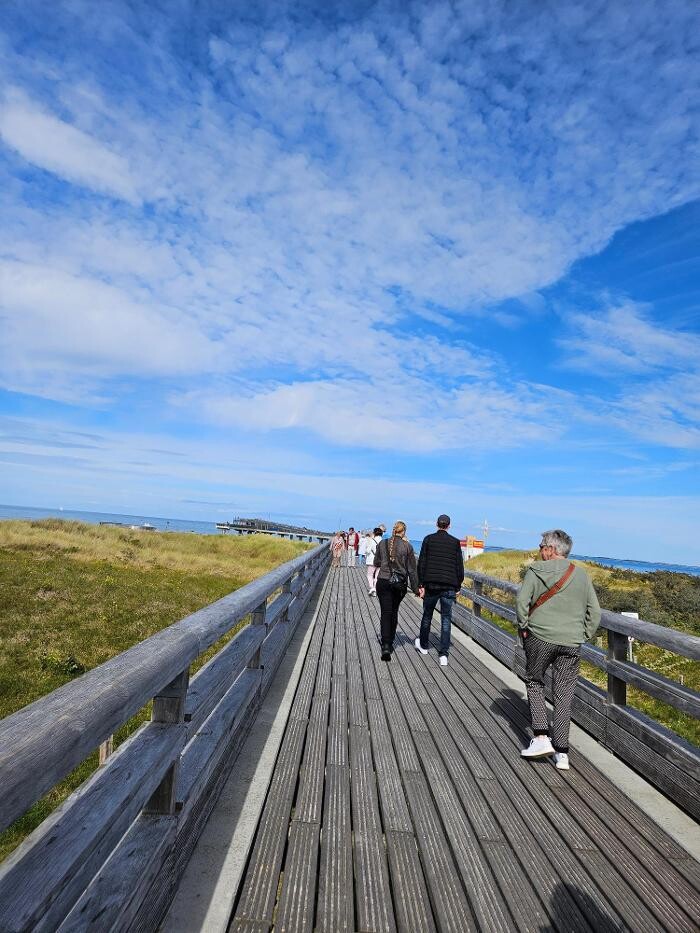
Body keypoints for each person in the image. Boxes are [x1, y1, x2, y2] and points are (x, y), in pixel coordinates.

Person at [517, 529, 601, 771]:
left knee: (534, 681)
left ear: (551, 549)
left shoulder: (535, 570)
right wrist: (582, 635)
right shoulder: (582, 575)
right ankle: (562, 753)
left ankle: (542, 738)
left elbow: (522, 602)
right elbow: (594, 613)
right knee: (564, 695)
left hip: (540, 637)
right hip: (571, 642)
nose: (539, 549)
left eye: (542, 545)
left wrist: (524, 627)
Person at [415, 514, 465, 667]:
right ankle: (443, 654)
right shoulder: (455, 542)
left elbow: (422, 563)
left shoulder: (428, 539)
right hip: (449, 586)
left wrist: (420, 584)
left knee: (427, 615)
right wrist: (458, 586)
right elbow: (459, 567)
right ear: (449, 525)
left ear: (437, 524)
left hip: (431, 585)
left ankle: (423, 646)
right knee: (445, 619)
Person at [374, 521, 419, 660]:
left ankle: (385, 644)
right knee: (393, 611)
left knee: (385, 612)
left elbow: (376, 562)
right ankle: (390, 640)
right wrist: (417, 589)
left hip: (383, 581)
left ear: (394, 530)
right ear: (403, 531)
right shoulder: (407, 546)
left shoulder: (382, 543)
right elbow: (412, 570)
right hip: (398, 584)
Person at [365, 527, 383, 596]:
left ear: (374, 533)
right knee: (377, 576)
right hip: (380, 561)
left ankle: (372, 587)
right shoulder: (384, 541)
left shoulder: (372, 540)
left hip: (372, 561)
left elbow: (368, 551)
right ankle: (375, 589)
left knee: (369, 575)